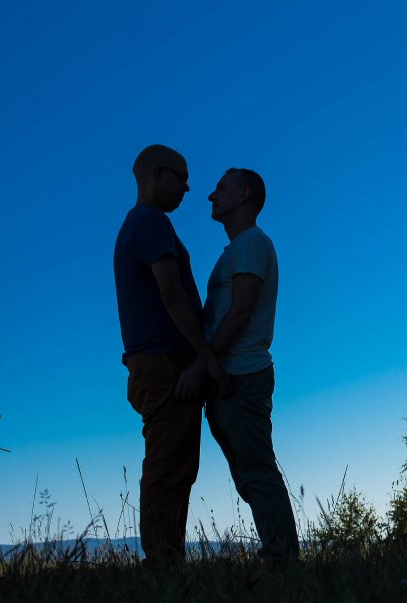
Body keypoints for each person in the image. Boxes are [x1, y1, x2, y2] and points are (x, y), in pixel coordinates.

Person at [113, 144, 230, 564]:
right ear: (158, 174)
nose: (188, 187)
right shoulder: (152, 222)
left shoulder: (138, 224)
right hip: (164, 363)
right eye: (181, 177)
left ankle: (166, 559)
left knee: (173, 465)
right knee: (168, 467)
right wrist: (205, 355)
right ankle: (163, 564)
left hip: (154, 363)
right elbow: (170, 291)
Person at [203, 167, 300, 561]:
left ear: (244, 195)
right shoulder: (241, 248)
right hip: (231, 376)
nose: (212, 195)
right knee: (249, 474)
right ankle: (278, 555)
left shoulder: (252, 243)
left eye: (221, 188)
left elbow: (241, 310)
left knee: (256, 471)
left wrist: (202, 363)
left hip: (242, 376)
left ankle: (282, 559)